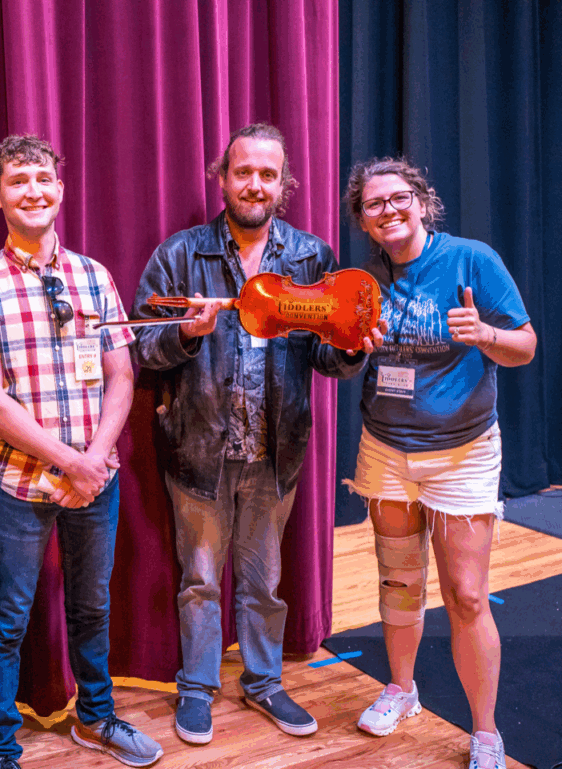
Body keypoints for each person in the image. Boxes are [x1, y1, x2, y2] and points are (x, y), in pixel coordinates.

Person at [131, 123, 381, 744]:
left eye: (267, 175)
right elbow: (141, 348)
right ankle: (197, 686)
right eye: (243, 172)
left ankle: (263, 681)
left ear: (284, 185)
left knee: (264, 580)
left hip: (275, 452)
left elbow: (324, 358)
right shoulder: (180, 255)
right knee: (200, 580)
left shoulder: (311, 258)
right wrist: (187, 333)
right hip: (198, 451)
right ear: (222, 178)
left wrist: (353, 350)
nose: (254, 184)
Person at [0, 134, 163, 769]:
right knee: (7, 619)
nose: (33, 191)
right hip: (18, 482)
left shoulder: (93, 276)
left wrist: (93, 462)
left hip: (96, 481)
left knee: (92, 604)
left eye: (43, 179)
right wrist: (67, 462)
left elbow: (121, 377)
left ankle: (95, 717)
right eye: (18, 181)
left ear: (61, 190)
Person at [342, 157, 536, 769]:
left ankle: (485, 731)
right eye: (374, 205)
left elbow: (525, 346)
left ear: (423, 202)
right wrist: (346, 347)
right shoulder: (360, 279)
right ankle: (403, 689)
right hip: (386, 450)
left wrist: (485, 334)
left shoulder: (470, 259)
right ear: (364, 222)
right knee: (399, 583)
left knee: (468, 596)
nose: (389, 211)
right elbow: (343, 359)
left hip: (462, 454)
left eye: (399, 198)